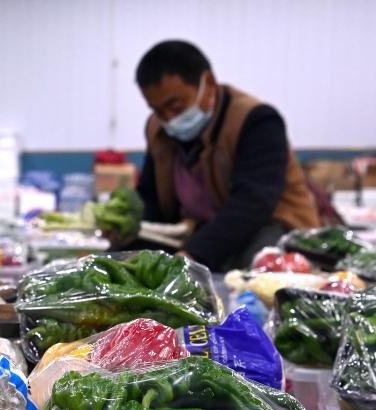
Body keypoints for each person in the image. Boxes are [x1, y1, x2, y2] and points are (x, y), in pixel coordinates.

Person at [131, 40, 323, 271]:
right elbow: (151, 198)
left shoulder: (257, 121)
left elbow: (252, 204)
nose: (169, 119)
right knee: (137, 255)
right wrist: (128, 228)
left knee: (254, 267)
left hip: (269, 229)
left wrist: (191, 255)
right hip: (203, 230)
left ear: (209, 83)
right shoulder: (158, 130)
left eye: (176, 106)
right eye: (158, 110)